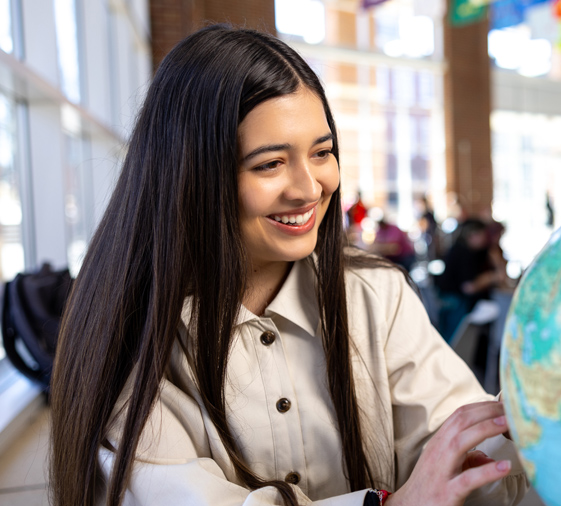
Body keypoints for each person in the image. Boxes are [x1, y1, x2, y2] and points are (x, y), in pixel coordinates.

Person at [49, 26, 527, 506]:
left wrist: (535, 428)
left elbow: (463, 450)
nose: (309, 188)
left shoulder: (373, 294)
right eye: (270, 164)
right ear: (192, 176)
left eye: (321, 153)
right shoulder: (132, 332)